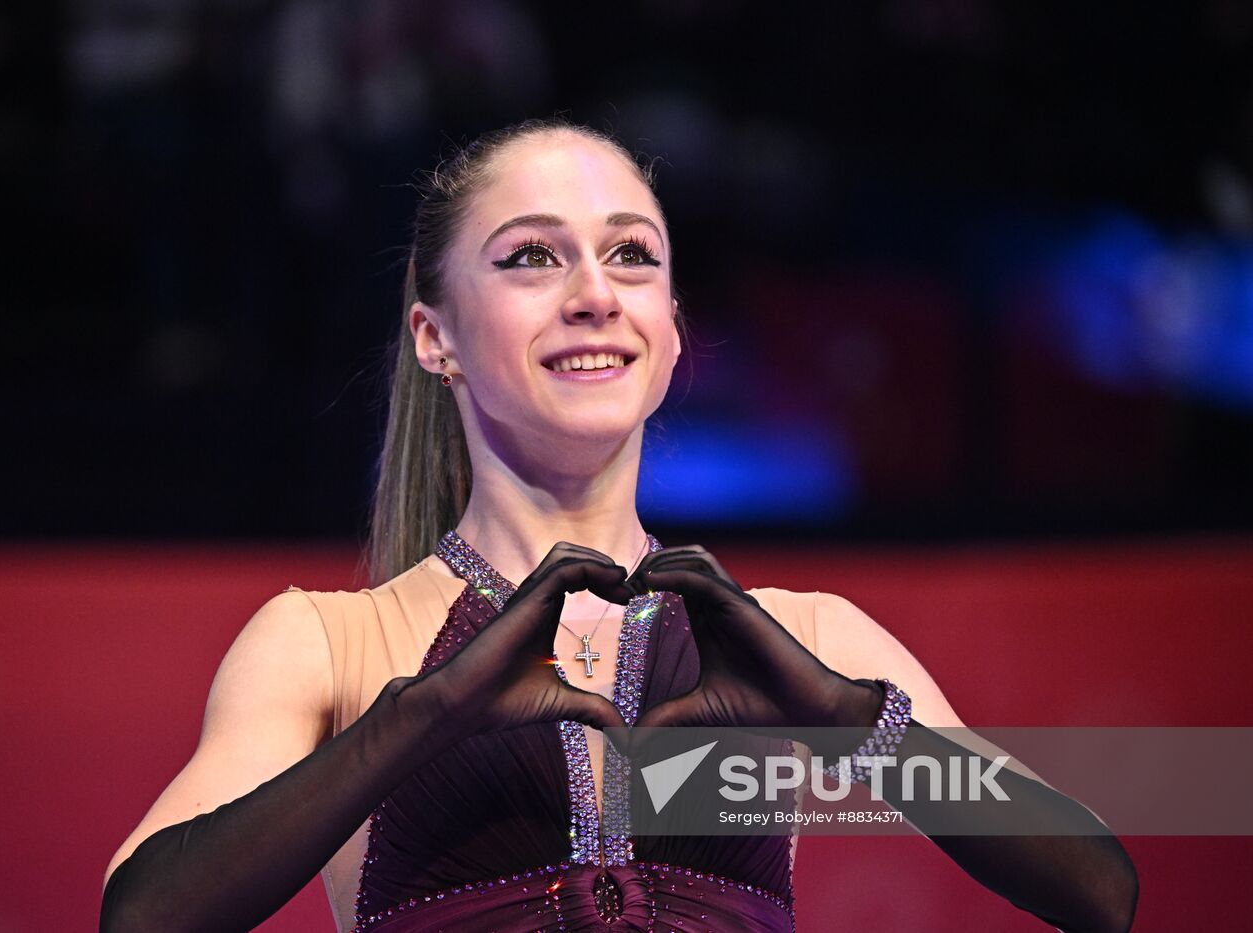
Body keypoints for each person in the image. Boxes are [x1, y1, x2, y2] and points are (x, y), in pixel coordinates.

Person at [100, 119, 1138, 932]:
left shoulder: (803, 637)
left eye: (630, 256)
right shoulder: (325, 645)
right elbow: (146, 914)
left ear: (673, 332)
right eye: (529, 260)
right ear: (435, 336)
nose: (593, 294)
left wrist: (840, 715)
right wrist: (425, 716)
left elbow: (1097, 890)